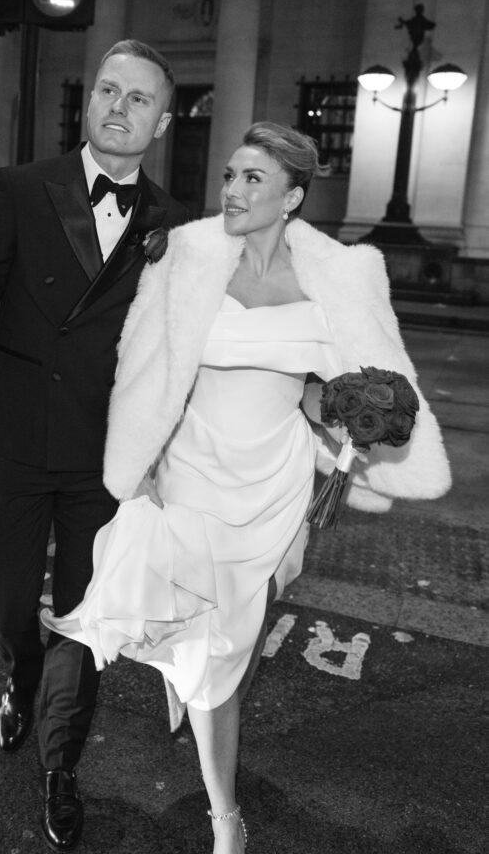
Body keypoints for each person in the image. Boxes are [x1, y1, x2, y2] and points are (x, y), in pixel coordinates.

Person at [42, 122, 451, 854]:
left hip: (273, 486)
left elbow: (307, 393)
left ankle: (217, 790)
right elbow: (148, 374)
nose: (231, 190)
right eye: (229, 175)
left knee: (224, 648)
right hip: (190, 478)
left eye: (252, 179)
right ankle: (225, 815)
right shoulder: (189, 261)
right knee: (215, 653)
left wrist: (358, 415)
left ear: (291, 196)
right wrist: (144, 466)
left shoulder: (328, 281)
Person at [0, 39, 188, 852]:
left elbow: (175, 353)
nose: (119, 108)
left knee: (84, 620)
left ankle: (60, 765)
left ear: (162, 119)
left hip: (100, 459)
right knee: (13, 609)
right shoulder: (21, 188)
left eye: (138, 98)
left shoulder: (170, 223)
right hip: (8, 442)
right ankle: (19, 674)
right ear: (89, 102)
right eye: (108, 91)